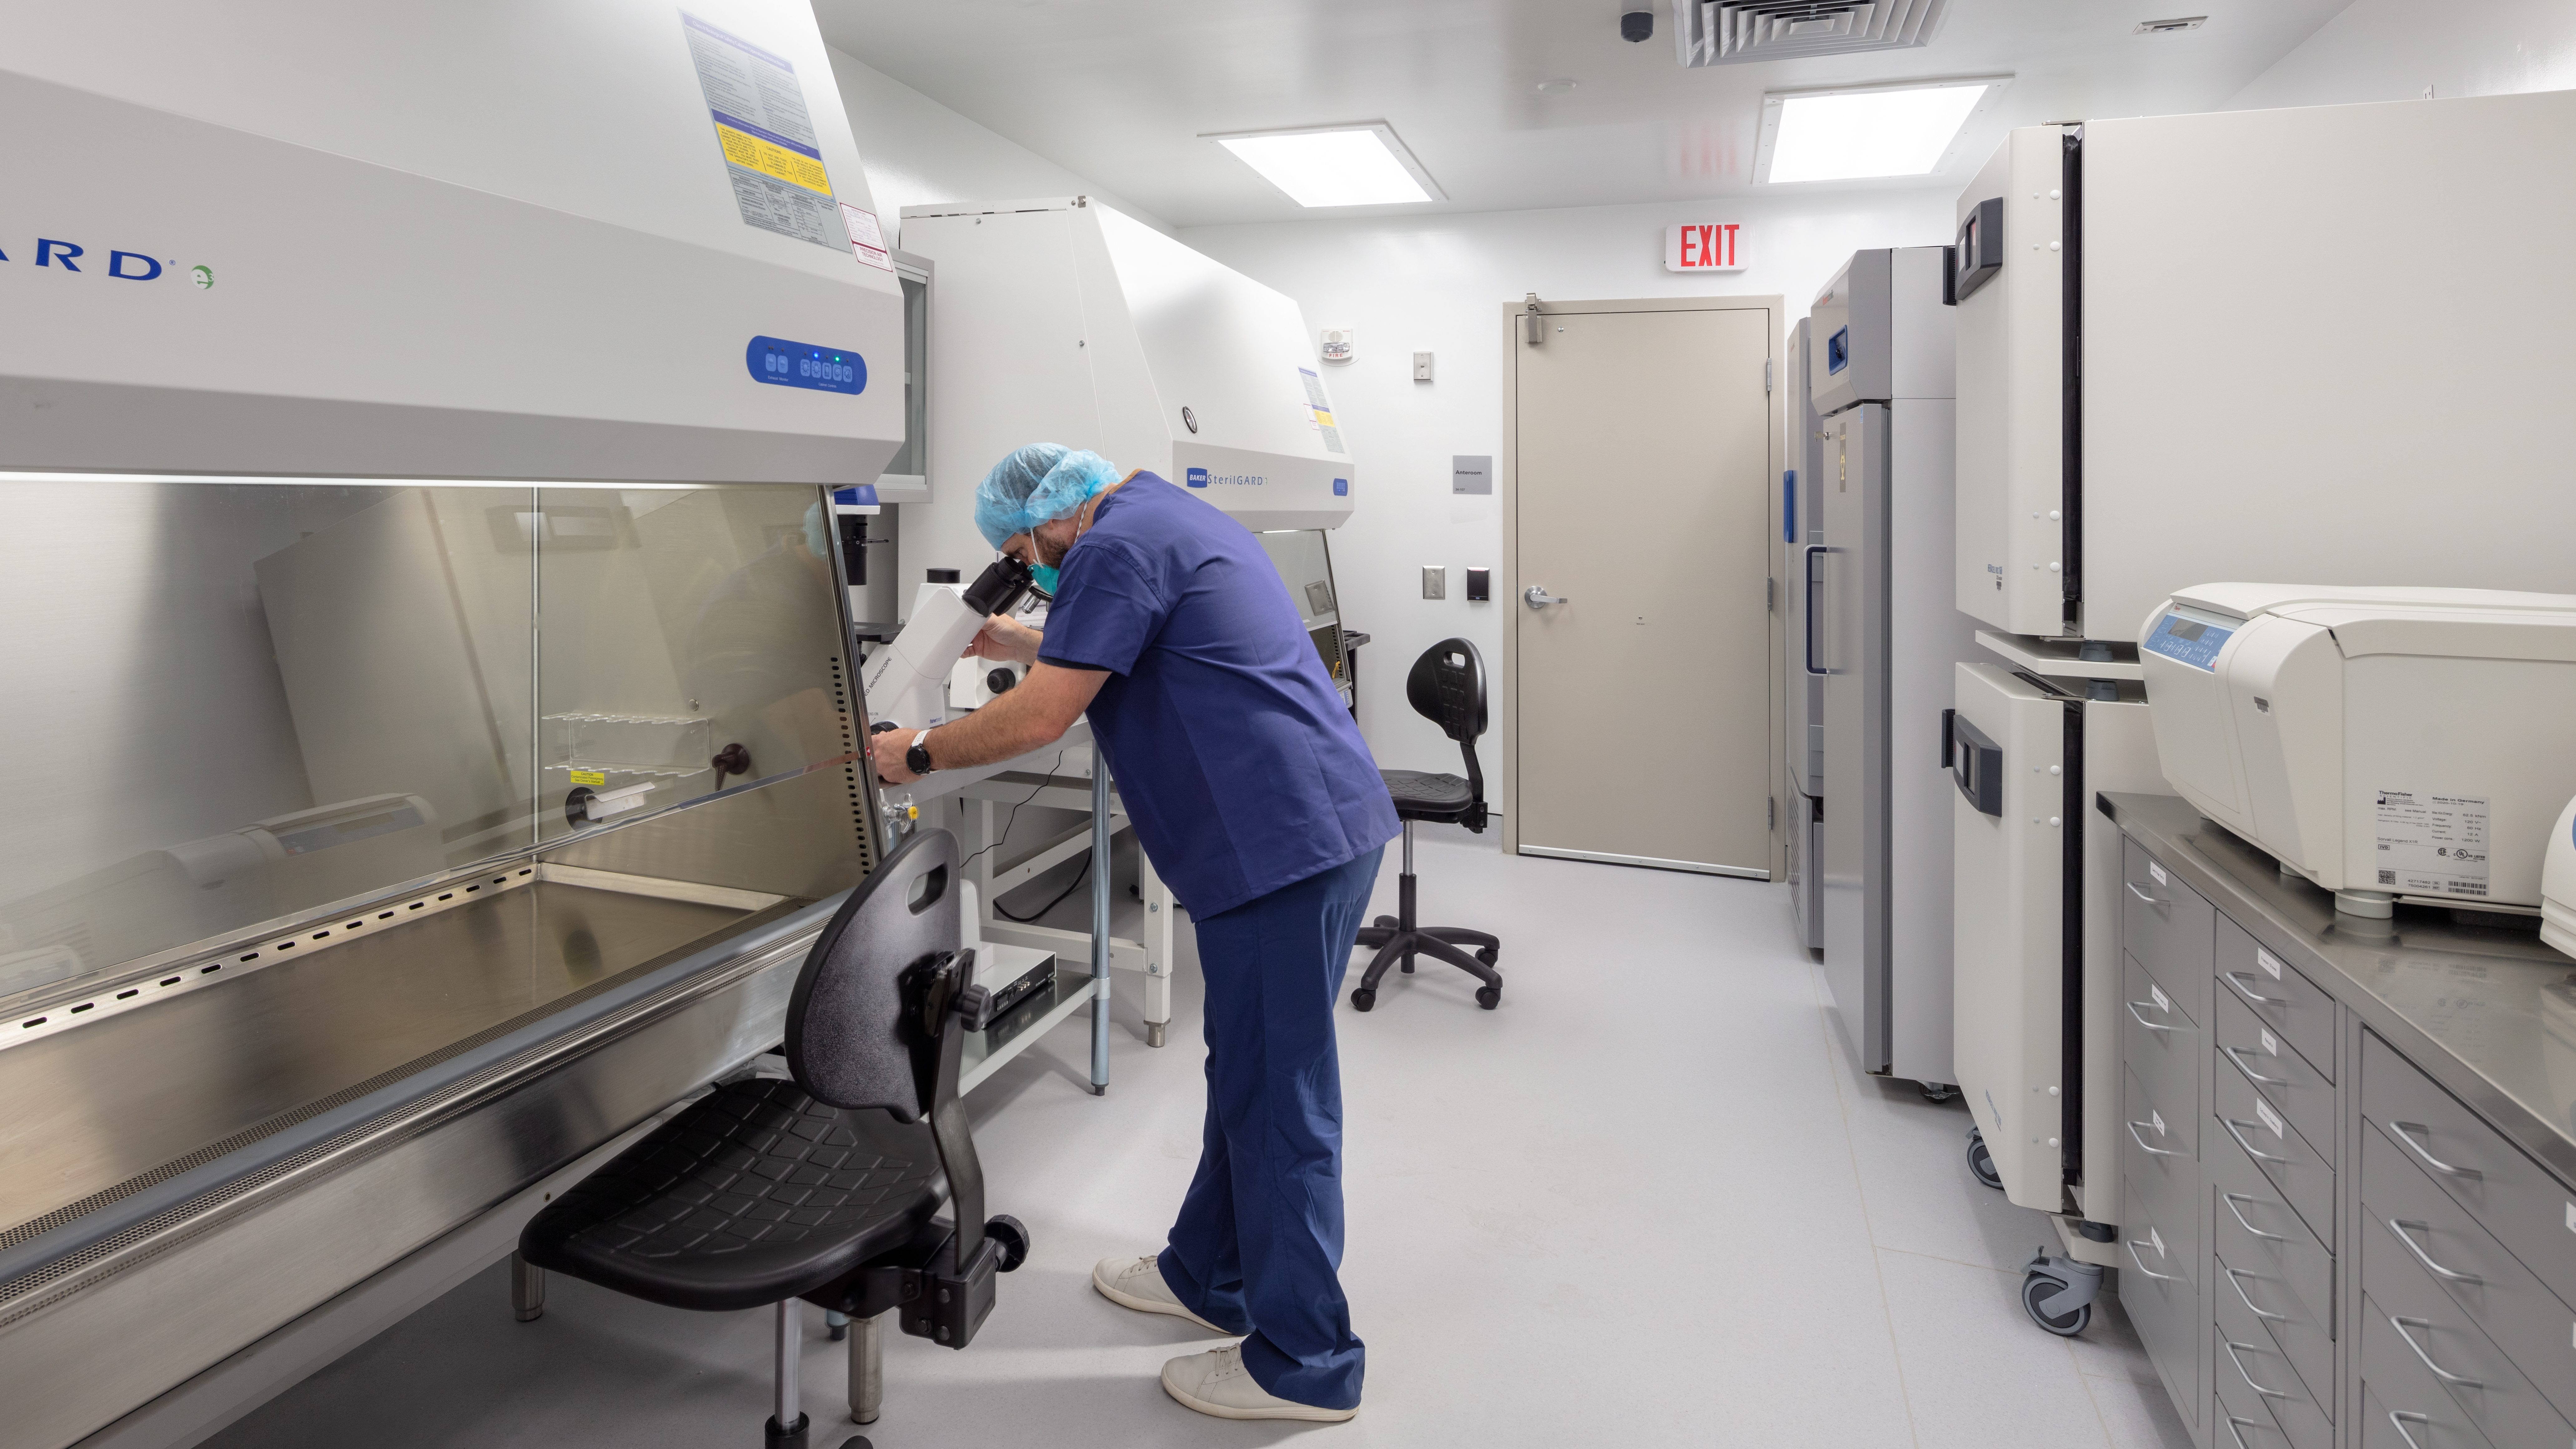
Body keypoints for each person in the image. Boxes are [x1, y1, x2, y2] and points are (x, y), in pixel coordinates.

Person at [868, 443, 1398, 1422]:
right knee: (1246, 1071)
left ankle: (1306, 1360)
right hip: (1306, 827)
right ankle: (1211, 1272)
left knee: (1279, 1093)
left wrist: (917, 751)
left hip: (1280, 844)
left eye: (1028, 555)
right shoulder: (1158, 516)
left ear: (1057, 519)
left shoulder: (1114, 549)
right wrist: (1028, 642)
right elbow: (1144, 638)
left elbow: (1040, 722)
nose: (1035, 575)